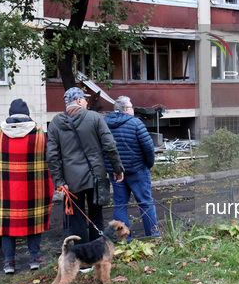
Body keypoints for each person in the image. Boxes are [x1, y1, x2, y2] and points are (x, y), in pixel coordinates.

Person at [47, 87, 124, 246]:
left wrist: (59, 181)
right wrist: (117, 169)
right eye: (85, 99)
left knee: (77, 219)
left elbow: (52, 156)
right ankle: (97, 255)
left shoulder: (55, 123)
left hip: (72, 180)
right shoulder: (95, 118)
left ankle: (82, 259)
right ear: (79, 101)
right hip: (96, 176)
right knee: (96, 216)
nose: (87, 102)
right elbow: (110, 146)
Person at [0, 99, 54, 274]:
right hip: (33, 190)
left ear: (10, 115)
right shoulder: (38, 133)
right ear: (26, 115)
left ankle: (9, 263)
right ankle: (34, 259)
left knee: (7, 228)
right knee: (34, 224)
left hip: (6, 190)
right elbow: (47, 160)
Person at [104, 96, 159, 240]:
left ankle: (124, 240)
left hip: (116, 172)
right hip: (137, 170)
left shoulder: (104, 123)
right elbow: (148, 147)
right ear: (126, 110)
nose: (133, 110)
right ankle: (153, 236)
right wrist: (149, 164)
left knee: (120, 205)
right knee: (145, 203)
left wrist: (109, 166)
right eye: (132, 107)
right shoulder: (135, 123)